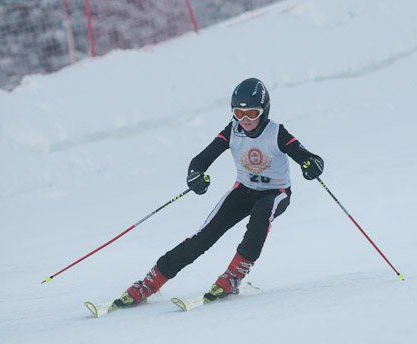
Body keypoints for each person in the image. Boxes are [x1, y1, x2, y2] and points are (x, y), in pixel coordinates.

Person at [113, 77, 324, 307]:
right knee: (203, 237)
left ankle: (234, 275)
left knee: (261, 214)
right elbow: (202, 158)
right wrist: (195, 174)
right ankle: (150, 282)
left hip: (275, 193)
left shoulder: (277, 133)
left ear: (264, 112)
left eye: (252, 114)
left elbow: (308, 156)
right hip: (243, 192)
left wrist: (311, 165)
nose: (245, 120)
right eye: (238, 114)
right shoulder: (232, 131)